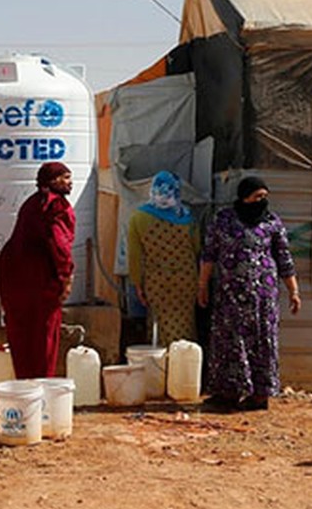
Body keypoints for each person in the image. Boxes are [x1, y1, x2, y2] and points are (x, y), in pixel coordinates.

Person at [198, 176, 300, 411]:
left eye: (265, 197)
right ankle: (228, 394)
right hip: (230, 296)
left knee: (261, 342)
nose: (262, 201)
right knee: (229, 341)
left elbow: (284, 259)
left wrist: (294, 291)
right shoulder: (223, 220)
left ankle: (259, 395)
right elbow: (209, 254)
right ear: (243, 196)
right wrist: (202, 285)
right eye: (257, 197)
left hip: (262, 299)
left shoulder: (272, 222)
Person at [0, 162, 76, 379]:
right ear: (53, 181)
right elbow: (59, 245)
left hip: (13, 277)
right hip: (40, 278)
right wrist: (65, 277)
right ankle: (40, 388)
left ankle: (24, 386)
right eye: (65, 178)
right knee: (44, 336)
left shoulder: (31, 203)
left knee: (21, 334)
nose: (70, 183)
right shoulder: (56, 207)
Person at [127, 170, 200, 346]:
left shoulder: (138, 218)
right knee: (185, 324)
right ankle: (185, 362)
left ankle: (161, 364)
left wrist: (137, 283)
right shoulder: (187, 217)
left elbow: (135, 256)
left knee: (159, 325)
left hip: (157, 282)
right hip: (186, 281)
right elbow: (197, 249)